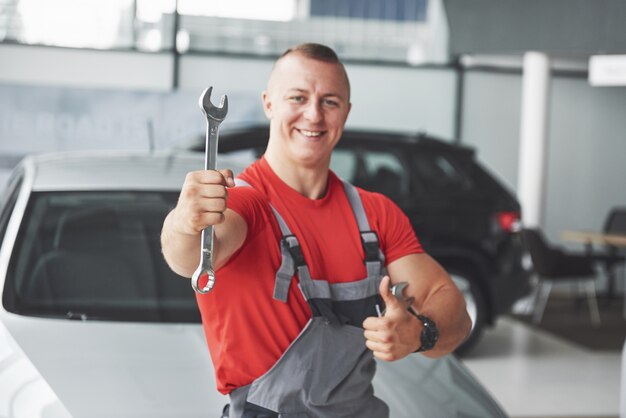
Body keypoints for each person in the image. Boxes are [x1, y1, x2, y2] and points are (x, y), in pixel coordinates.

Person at [161, 43, 471, 417]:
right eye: (298, 97)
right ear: (268, 103)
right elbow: (187, 256)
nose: (314, 114)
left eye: (330, 102)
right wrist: (184, 222)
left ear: (346, 113)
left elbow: (454, 311)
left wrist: (421, 332)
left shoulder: (375, 214)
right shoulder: (247, 203)